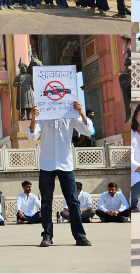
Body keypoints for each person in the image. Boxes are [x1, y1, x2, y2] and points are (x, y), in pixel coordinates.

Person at [27, 100, 94, 247]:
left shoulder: (70, 113)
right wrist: (33, 118)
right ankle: (47, 236)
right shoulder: (42, 113)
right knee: (45, 202)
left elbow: (88, 131)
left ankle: (80, 236)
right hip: (47, 163)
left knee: (73, 201)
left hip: (65, 163)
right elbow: (32, 136)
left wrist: (81, 113)